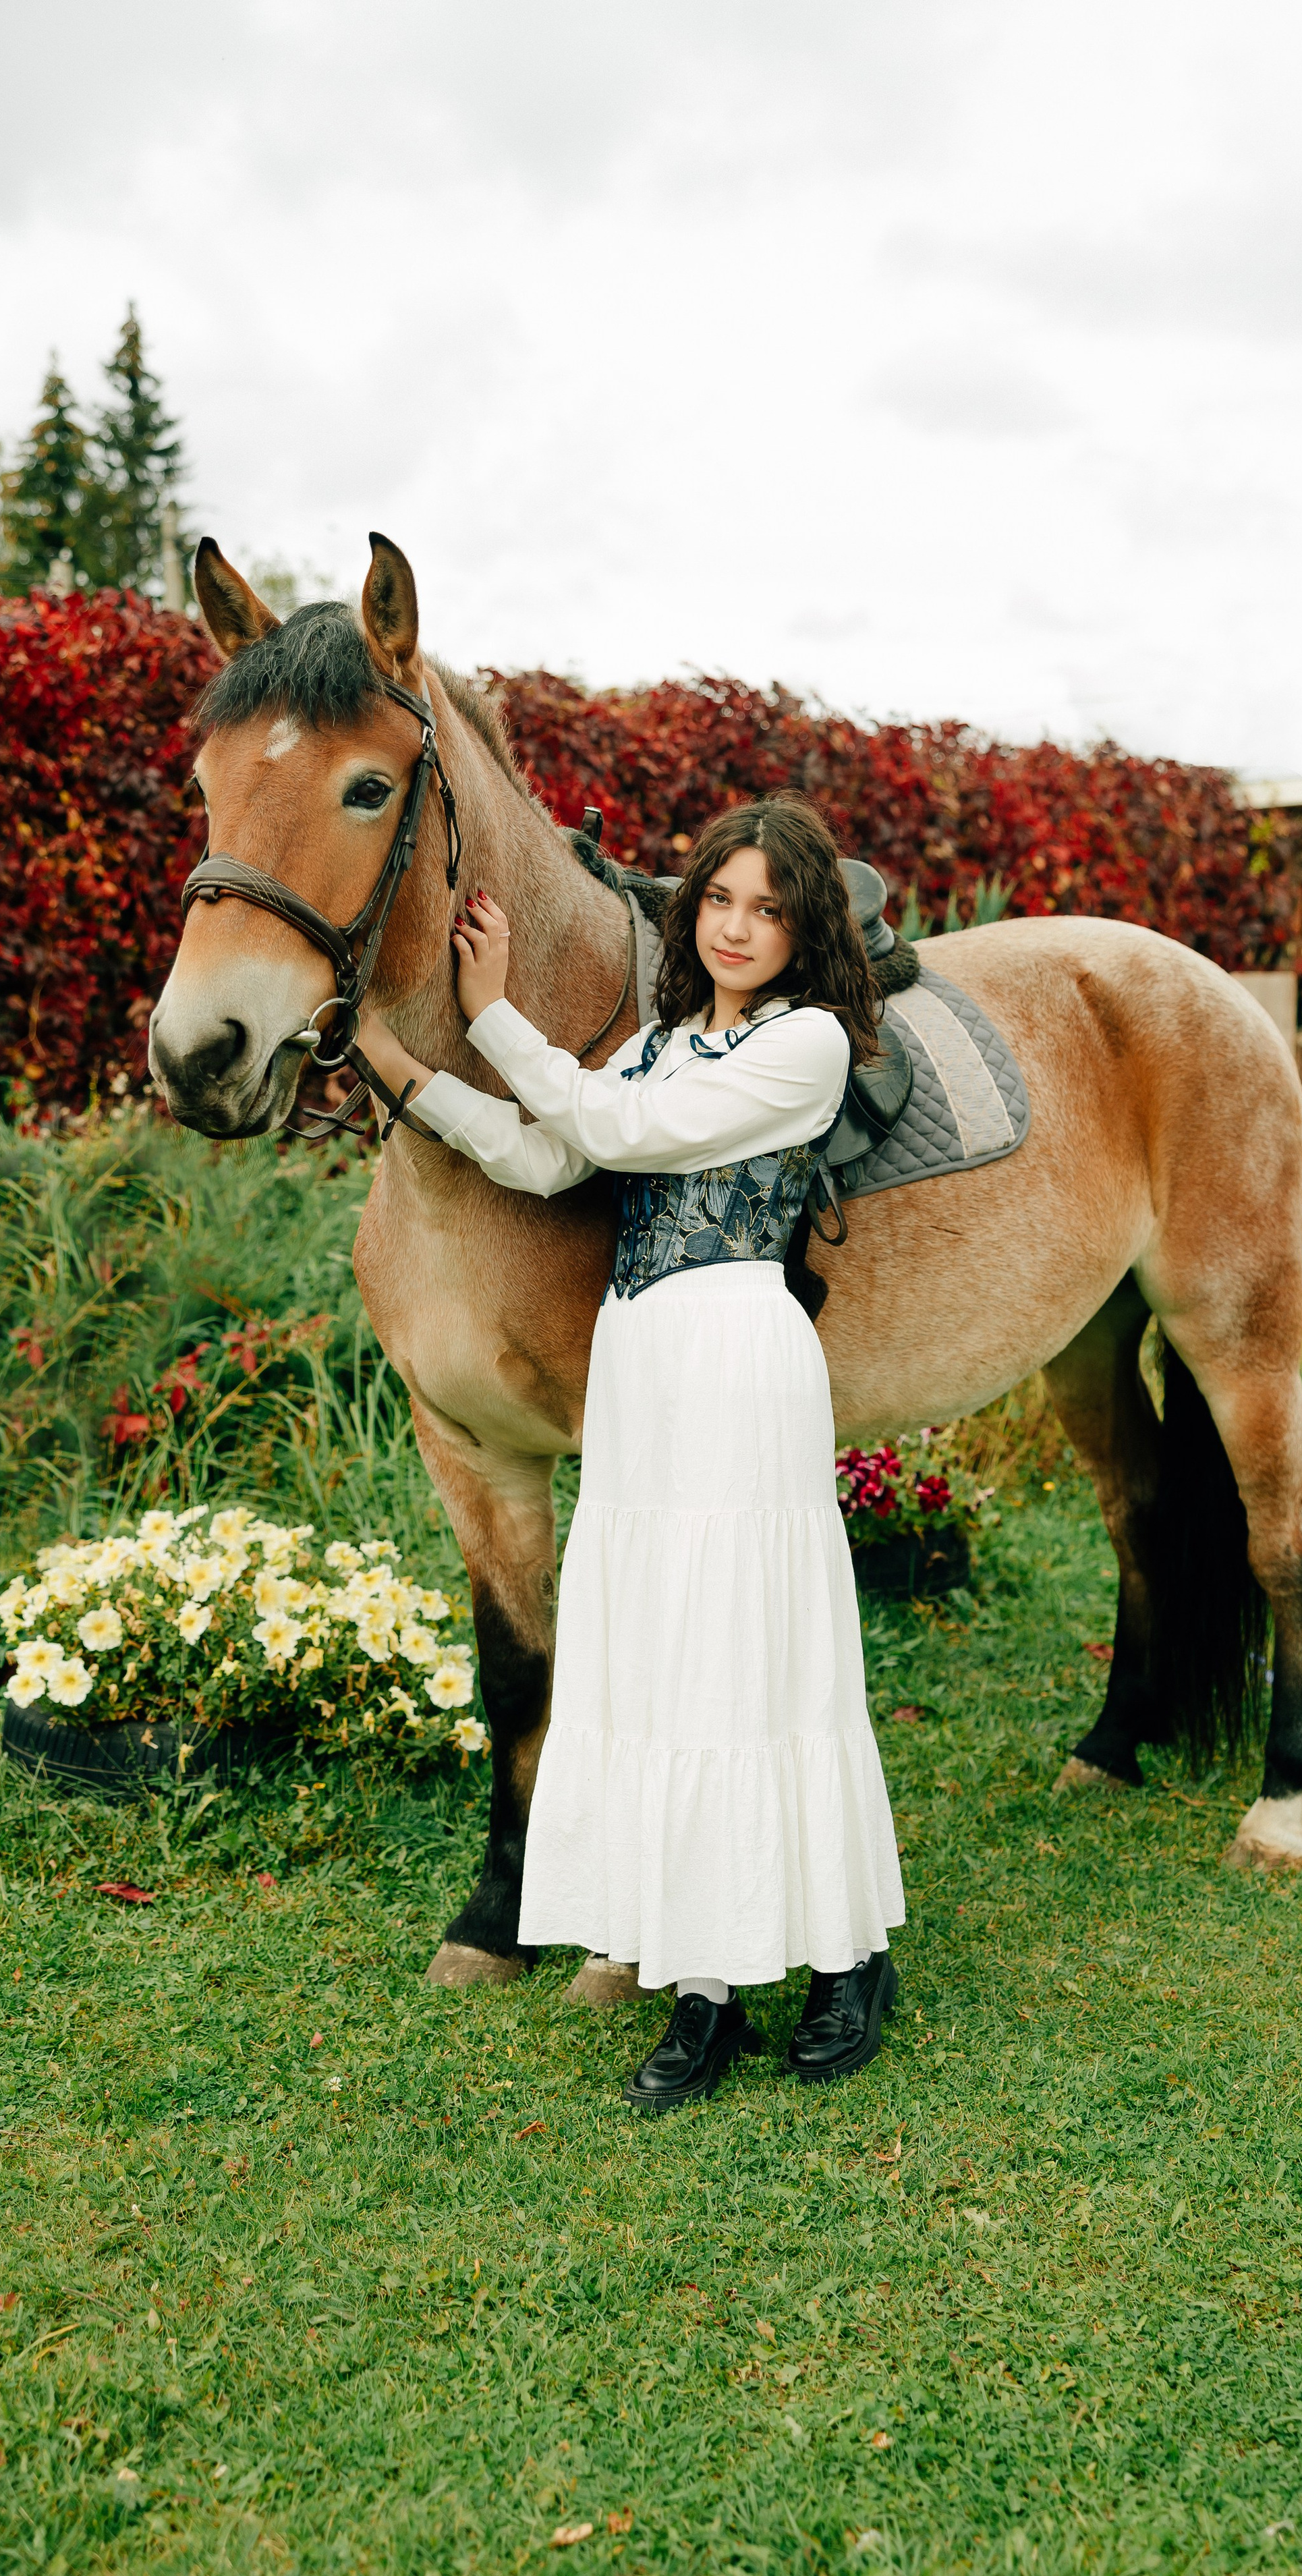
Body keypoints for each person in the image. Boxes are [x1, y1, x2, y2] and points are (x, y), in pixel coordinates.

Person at [360, 793, 905, 2110]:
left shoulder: (811, 1047)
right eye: (719, 897)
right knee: (665, 1656)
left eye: (769, 909)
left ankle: (845, 1958)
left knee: (755, 1654)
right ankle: (704, 1982)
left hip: (733, 1354)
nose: (737, 926)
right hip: (645, 1366)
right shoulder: (665, 1045)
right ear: (690, 906)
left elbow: (622, 1138)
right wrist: (409, 1072)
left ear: (805, 931)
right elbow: (550, 1158)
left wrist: (494, 1015)